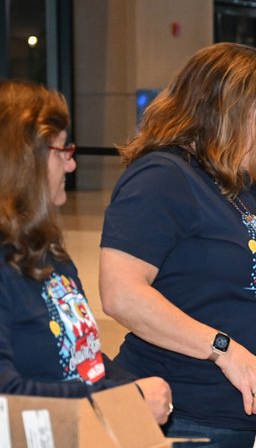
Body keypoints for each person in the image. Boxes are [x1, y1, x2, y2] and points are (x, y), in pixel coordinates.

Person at [99, 42, 256, 448]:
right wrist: (224, 349)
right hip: (190, 420)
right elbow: (120, 293)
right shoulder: (162, 177)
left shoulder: (222, 178)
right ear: (230, 111)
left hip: (239, 418)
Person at [0, 80, 171, 420]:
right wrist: (126, 399)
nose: (71, 165)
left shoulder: (47, 251)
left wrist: (129, 387)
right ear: (23, 162)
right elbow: (7, 396)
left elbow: (84, 358)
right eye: (63, 151)